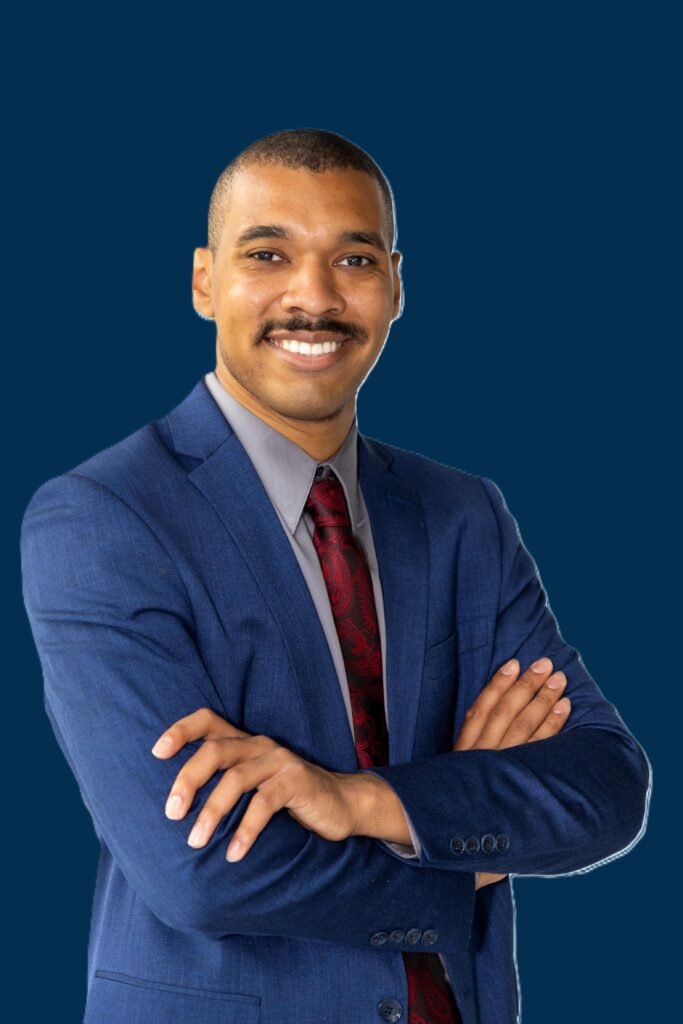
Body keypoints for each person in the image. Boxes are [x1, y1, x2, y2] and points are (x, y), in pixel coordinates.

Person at [20, 128, 651, 1024]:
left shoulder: (461, 513)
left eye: (352, 258)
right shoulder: (103, 518)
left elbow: (605, 784)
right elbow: (198, 871)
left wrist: (358, 801)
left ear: (395, 285)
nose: (312, 298)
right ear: (204, 280)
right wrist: (460, 851)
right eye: (267, 253)